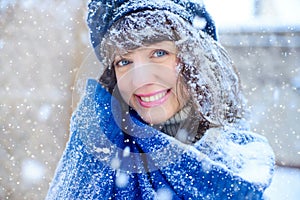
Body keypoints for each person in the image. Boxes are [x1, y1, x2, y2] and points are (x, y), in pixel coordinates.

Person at [46, 0, 275, 199]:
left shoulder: (239, 158)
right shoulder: (99, 157)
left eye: (158, 53)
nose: (141, 80)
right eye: (124, 62)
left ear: (193, 61)